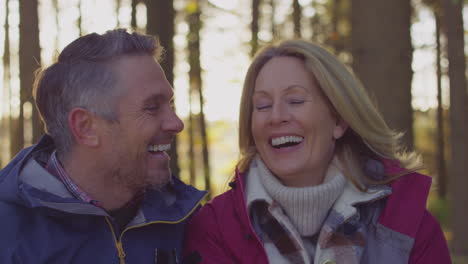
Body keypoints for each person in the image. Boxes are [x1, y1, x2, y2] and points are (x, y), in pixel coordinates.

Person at [183, 40, 451, 263]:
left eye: (296, 100)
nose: (276, 116)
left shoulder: (408, 225)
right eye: (262, 105)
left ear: (338, 120)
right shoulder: (215, 227)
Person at [0, 29, 206, 264]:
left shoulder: (187, 220)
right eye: (151, 108)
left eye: (169, 104)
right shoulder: (8, 237)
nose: (176, 123)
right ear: (86, 127)